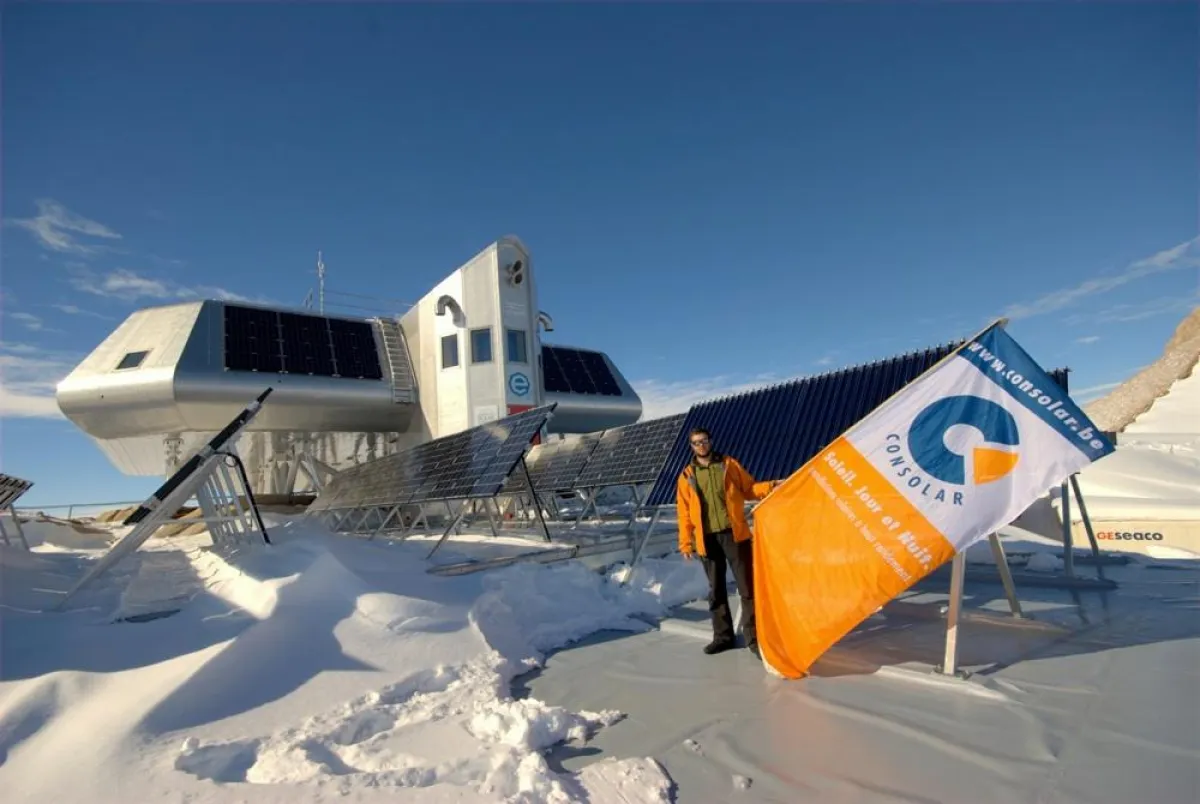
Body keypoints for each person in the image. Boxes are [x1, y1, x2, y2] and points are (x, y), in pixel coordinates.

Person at [676, 427, 778, 657]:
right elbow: (684, 512)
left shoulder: (729, 465)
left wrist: (770, 486)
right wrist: (685, 542)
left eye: (704, 441)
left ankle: (754, 639)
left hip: (734, 535)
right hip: (706, 539)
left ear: (710, 442)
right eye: (696, 443)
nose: (701, 445)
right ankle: (722, 637)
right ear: (691, 447)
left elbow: (749, 488)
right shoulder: (686, 476)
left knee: (747, 589)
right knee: (717, 591)